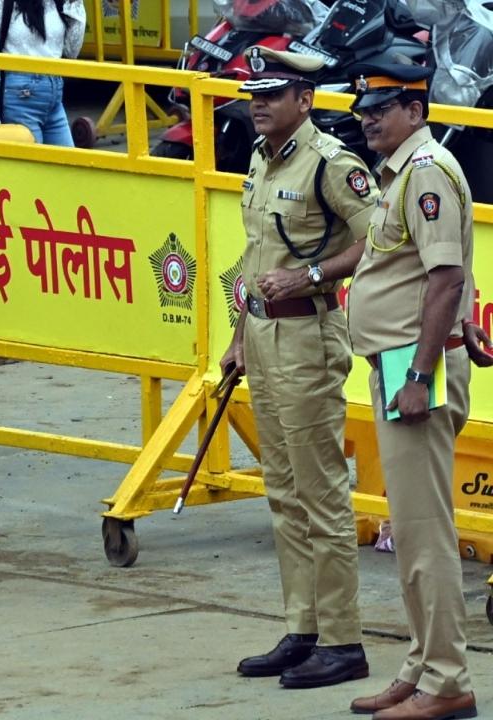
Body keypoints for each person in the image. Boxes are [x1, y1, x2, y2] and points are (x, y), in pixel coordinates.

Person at [219, 46, 377, 689]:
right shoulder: (260, 158)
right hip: (262, 335)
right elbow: (258, 257)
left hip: (309, 338)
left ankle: (343, 641)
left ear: (304, 101)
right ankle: (303, 627)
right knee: (282, 492)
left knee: (321, 495)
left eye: (272, 93)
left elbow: (380, 239)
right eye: (254, 93)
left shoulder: (333, 165)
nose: (258, 103)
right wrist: (236, 338)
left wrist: (310, 274)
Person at [344, 62, 478, 720]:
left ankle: (447, 681)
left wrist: (422, 374)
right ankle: (422, 665)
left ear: (415, 108)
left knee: (424, 536)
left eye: (383, 106)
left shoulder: (423, 171)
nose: (369, 115)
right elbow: (443, 268)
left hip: (411, 368)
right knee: (412, 530)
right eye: (364, 106)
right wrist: (466, 322)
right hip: (401, 361)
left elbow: (446, 275)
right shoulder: (408, 167)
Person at [0, 0, 87, 146]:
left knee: (68, 165)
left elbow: (71, 51)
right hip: (20, 98)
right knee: (32, 167)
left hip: (54, 95)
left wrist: (75, 4)